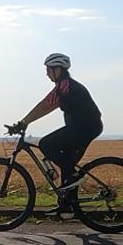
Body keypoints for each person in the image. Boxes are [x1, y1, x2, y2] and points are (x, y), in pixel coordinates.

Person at [12, 53, 103, 216]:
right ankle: (66, 207)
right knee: (67, 162)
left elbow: (45, 105)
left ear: (58, 69)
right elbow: (45, 106)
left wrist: (24, 122)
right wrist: (24, 122)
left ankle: (73, 177)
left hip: (85, 127)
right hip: (82, 127)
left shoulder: (66, 86)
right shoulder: (64, 86)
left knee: (46, 144)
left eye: (48, 69)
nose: (46, 73)